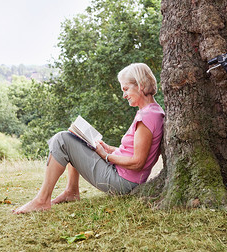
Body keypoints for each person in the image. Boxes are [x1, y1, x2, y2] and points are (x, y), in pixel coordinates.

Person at [13, 63, 165, 214]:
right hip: (124, 176)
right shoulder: (152, 112)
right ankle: (71, 192)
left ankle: (42, 200)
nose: (124, 95)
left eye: (126, 89)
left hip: (122, 182)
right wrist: (109, 149)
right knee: (76, 139)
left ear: (139, 85)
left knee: (62, 139)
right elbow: (134, 150)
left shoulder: (146, 117)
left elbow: (138, 162)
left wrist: (106, 156)